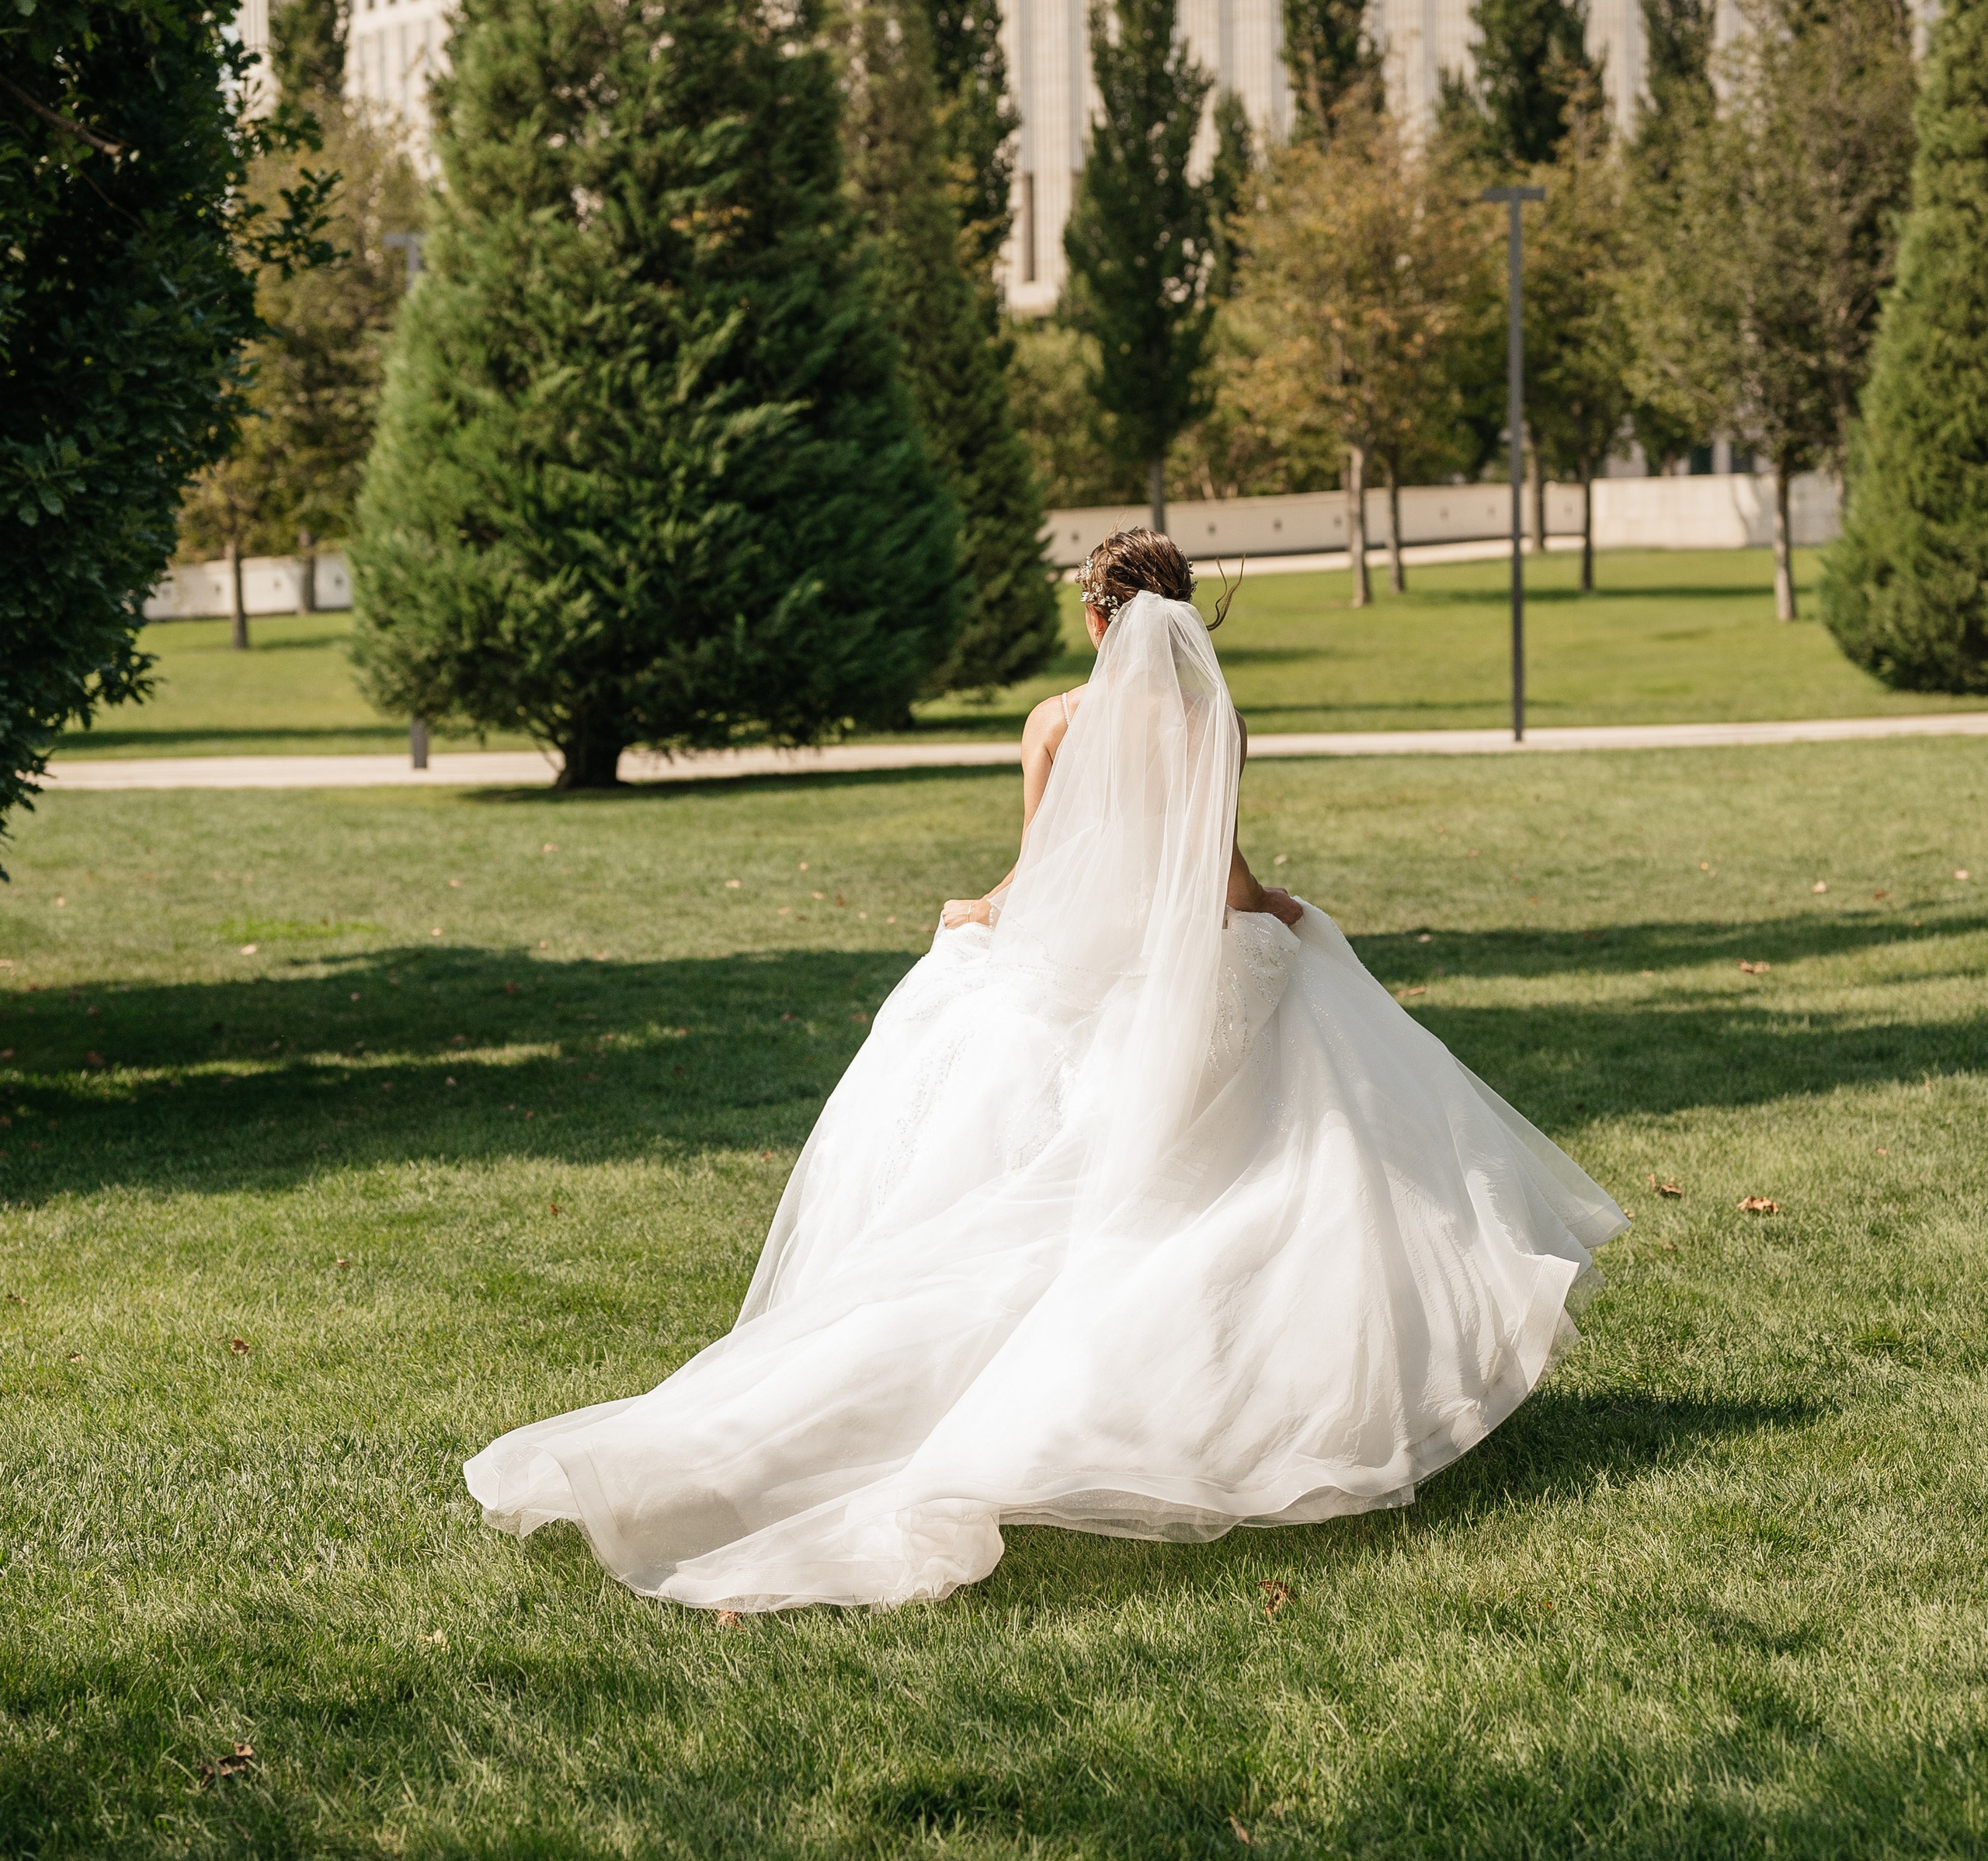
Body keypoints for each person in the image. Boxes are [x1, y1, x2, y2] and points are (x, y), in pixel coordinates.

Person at [466, 530, 1625, 1612]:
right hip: (1176, 973)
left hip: (1083, 974)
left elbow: (1032, 875)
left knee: (1049, 1176)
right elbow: (1222, 884)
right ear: (1178, 616)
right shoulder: (1211, 719)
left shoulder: (1053, 721)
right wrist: (1287, 912)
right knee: (1302, 1041)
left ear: (1095, 619)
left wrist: (979, 915)